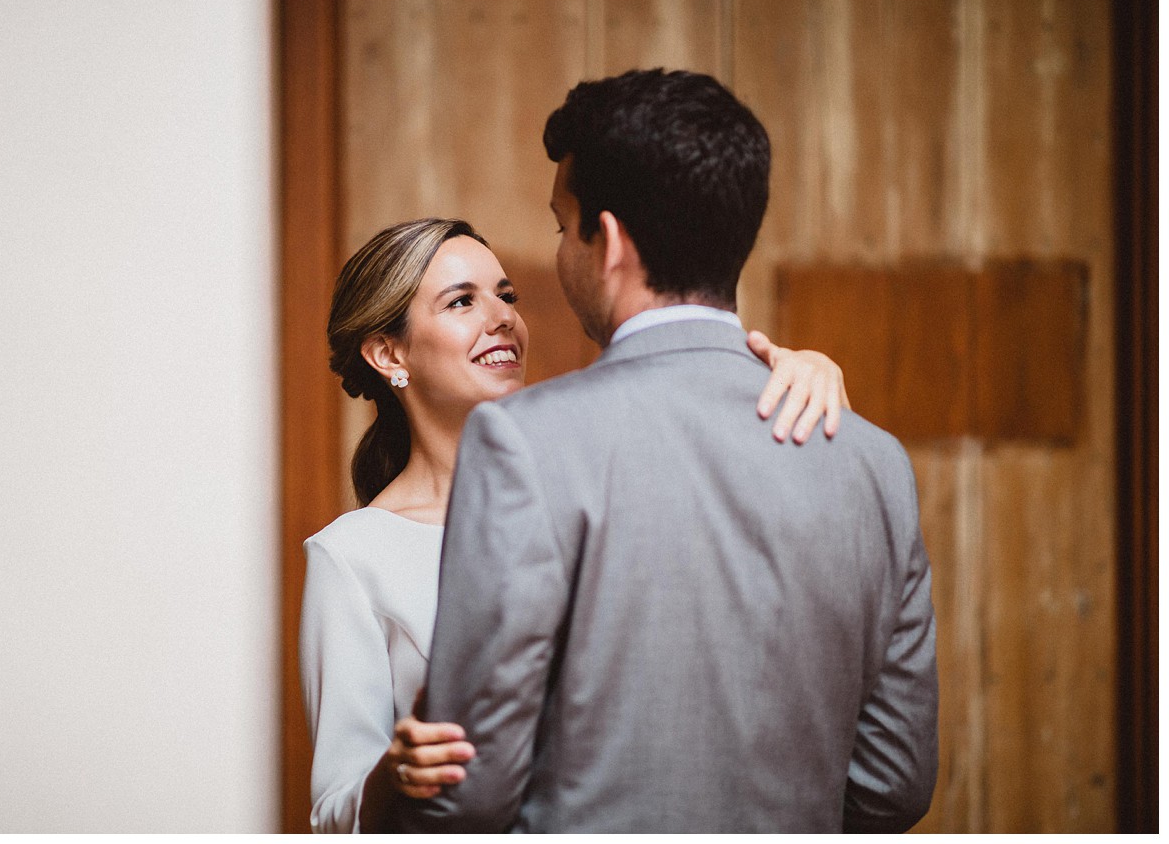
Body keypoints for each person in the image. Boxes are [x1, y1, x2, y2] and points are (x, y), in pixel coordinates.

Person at [390, 69, 939, 833]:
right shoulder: (874, 463)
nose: (560, 250)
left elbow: (469, 793)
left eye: (561, 224)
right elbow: (895, 788)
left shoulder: (523, 442)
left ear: (607, 241)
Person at [300, 217, 854, 833]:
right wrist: (393, 777)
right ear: (388, 354)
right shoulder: (352, 557)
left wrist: (791, 374)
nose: (502, 316)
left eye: (506, 296)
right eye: (462, 301)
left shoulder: (597, 483)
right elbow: (332, 813)